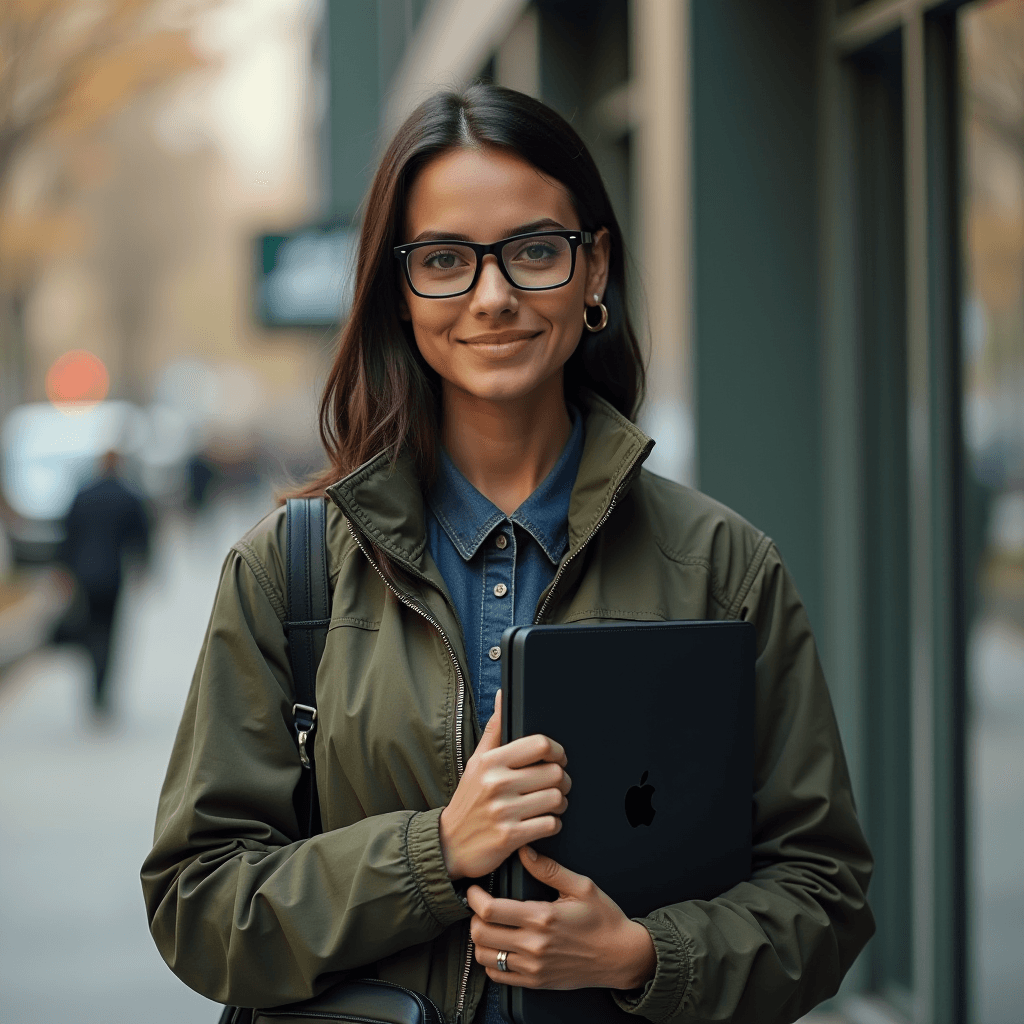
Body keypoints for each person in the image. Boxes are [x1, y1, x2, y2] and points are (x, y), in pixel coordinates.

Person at [142, 85, 874, 1024]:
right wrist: (433, 851)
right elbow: (198, 905)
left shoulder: (723, 566)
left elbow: (825, 896)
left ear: (593, 267)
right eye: (445, 260)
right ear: (398, 292)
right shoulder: (291, 573)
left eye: (534, 251)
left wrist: (645, 956)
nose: (493, 298)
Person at [59, 448, 150, 715]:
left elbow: (68, 535)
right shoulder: (128, 495)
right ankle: (103, 688)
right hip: (113, 575)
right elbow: (141, 538)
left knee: (90, 629)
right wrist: (142, 568)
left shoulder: (83, 495)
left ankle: (93, 684)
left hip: (83, 574)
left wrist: (63, 570)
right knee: (110, 633)